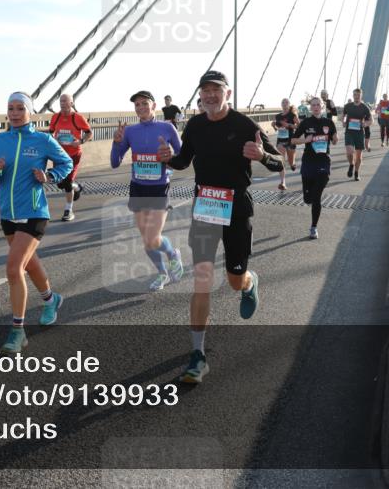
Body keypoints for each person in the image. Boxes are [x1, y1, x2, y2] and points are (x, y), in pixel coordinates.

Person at [157, 70, 284, 383]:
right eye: (205, 90)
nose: (210, 95)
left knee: (233, 280)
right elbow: (183, 161)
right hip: (205, 207)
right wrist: (167, 159)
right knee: (201, 279)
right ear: (200, 95)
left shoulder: (244, 125)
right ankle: (197, 355)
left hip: (237, 209)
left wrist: (262, 155)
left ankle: (249, 281)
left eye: (217, 90)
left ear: (228, 94)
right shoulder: (197, 124)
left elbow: (280, 162)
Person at [0, 92, 73, 352]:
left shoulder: (42, 140)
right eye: (11, 108)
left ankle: (18, 332)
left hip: (34, 213)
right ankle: (51, 300)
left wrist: (50, 175)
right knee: (29, 264)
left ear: (30, 112)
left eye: (21, 108)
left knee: (13, 269)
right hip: (7, 214)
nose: (15, 112)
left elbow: (66, 162)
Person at [111, 91, 185, 291]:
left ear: (154, 106)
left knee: (153, 238)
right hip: (137, 188)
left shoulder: (167, 128)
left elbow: (183, 159)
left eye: (145, 103)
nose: (141, 107)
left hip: (159, 188)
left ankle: (172, 254)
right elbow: (115, 163)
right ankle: (162, 274)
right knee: (147, 240)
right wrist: (116, 143)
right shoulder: (130, 131)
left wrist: (170, 156)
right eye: (137, 105)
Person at [292, 97, 339, 239]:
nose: (316, 107)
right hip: (308, 163)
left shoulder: (329, 123)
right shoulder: (306, 123)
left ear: (322, 106)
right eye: (314, 105)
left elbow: (334, 140)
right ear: (310, 108)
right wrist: (304, 140)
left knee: (317, 197)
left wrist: (335, 138)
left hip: (323, 162)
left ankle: (313, 227)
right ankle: (308, 198)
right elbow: (293, 140)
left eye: (318, 104)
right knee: (308, 199)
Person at [49, 93, 93, 221]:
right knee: (60, 183)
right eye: (61, 101)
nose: (62, 104)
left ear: (71, 104)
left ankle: (69, 210)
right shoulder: (55, 117)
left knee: (67, 182)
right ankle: (77, 187)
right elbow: (51, 133)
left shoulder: (78, 118)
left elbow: (89, 133)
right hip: (60, 155)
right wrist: (53, 139)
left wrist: (80, 142)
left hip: (73, 155)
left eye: (65, 101)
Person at [342, 89, 372, 181]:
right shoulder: (347, 106)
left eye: (358, 95)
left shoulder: (364, 107)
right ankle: (351, 164)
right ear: (353, 95)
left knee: (359, 156)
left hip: (359, 133)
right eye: (355, 95)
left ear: (361, 96)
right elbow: (343, 116)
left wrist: (365, 124)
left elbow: (371, 120)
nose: (356, 96)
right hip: (349, 132)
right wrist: (343, 121)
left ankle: (356, 172)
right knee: (349, 152)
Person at [272, 98, 299, 188]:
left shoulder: (292, 115)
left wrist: (290, 125)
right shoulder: (278, 116)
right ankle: (283, 182)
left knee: (291, 162)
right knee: (281, 160)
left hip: (290, 139)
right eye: (283, 102)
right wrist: (273, 126)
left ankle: (292, 164)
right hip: (280, 140)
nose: (284, 103)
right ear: (281, 104)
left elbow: (299, 126)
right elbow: (277, 129)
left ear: (289, 104)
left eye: (286, 102)